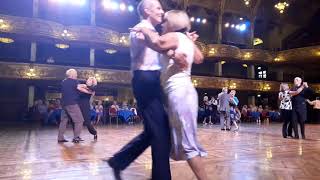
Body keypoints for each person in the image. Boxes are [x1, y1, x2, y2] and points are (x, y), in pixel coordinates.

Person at [106, 1, 192, 179]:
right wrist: (176, 52)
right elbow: (156, 45)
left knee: (154, 130)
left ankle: (118, 160)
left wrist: (182, 44)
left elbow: (160, 47)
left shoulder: (152, 31)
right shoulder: (140, 28)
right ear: (147, 11)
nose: (162, 12)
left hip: (153, 81)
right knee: (160, 132)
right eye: (158, 8)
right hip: (145, 80)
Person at [133, 10, 208, 180]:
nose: (162, 24)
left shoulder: (174, 36)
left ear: (173, 23)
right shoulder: (183, 39)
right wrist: (188, 41)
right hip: (185, 91)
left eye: (165, 20)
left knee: (188, 145)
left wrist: (145, 30)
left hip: (179, 92)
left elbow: (157, 43)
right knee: (183, 139)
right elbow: (200, 58)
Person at [57, 69, 91, 143]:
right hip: (72, 103)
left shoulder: (63, 82)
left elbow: (77, 86)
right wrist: (89, 90)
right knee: (80, 120)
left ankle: (60, 138)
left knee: (63, 121)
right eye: (76, 74)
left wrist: (84, 86)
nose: (77, 75)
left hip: (64, 104)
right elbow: (80, 88)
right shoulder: (74, 81)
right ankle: (76, 137)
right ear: (72, 75)